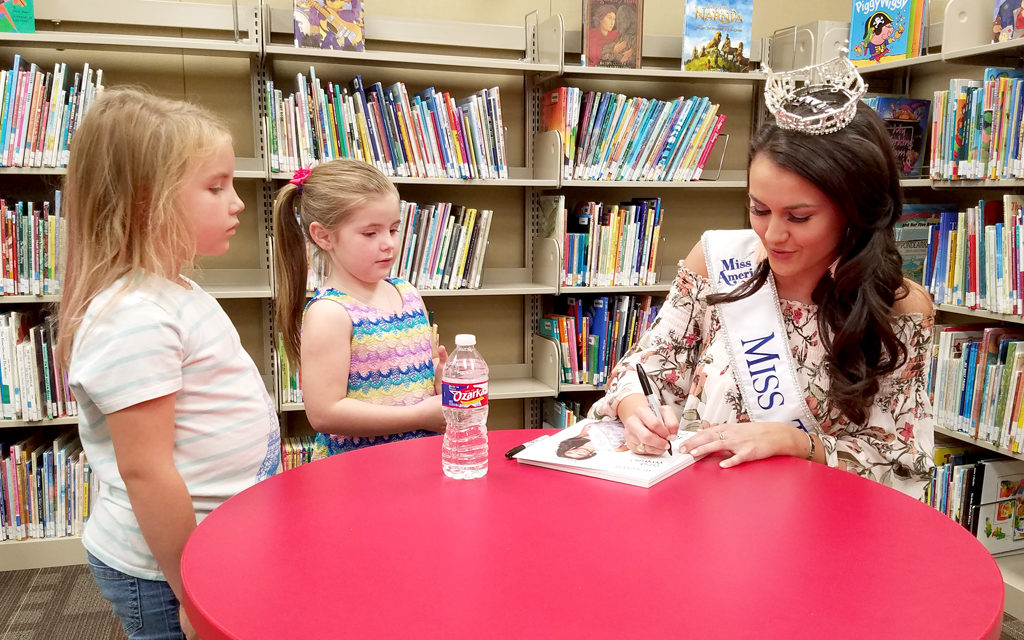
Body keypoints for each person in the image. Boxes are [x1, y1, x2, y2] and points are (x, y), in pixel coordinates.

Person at [589, 59, 935, 499]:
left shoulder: (898, 308)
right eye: (759, 209)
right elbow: (647, 368)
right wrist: (634, 407)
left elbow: (904, 462)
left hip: (820, 530)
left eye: (799, 216)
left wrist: (800, 443)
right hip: (699, 511)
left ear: (856, 211)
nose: (773, 235)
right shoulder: (717, 263)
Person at [59, 88, 282, 639]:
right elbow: (147, 471)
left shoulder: (172, 289)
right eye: (215, 187)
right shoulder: (134, 317)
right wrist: (191, 587)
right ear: (145, 200)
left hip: (205, 546)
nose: (237, 203)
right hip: (164, 570)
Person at [272, 158, 446, 459]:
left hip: (416, 459)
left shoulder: (408, 293)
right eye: (370, 233)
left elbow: (423, 372)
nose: (388, 244)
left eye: (393, 229)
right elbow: (325, 413)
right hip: (357, 471)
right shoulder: (330, 313)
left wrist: (441, 380)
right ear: (323, 236)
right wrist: (419, 415)